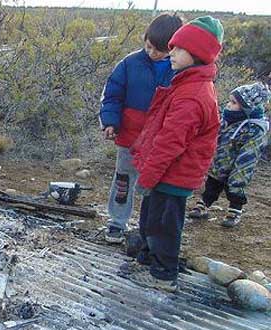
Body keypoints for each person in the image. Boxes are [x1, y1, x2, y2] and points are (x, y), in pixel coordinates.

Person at [126, 16, 224, 292]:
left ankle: (163, 275)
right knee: (152, 218)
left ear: (197, 54)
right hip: (166, 173)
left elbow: (170, 143)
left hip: (173, 175)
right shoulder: (186, 84)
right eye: (173, 47)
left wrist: (148, 176)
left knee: (164, 226)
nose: (172, 53)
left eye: (179, 49)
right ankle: (148, 259)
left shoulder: (192, 95)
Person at [99, 13, 183, 244]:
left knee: (155, 185)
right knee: (123, 181)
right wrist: (110, 122)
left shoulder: (180, 70)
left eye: (160, 50)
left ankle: (148, 229)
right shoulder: (129, 63)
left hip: (160, 141)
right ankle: (117, 222)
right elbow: (112, 95)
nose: (152, 53)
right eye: (149, 46)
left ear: (174, 47)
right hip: (129, 136)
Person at [188, 82, 270, 227]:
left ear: (246, 108)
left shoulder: (255, 129)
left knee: (235, 189)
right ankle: (204, 204)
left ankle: (235, 210)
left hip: (239, 167)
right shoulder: (227, 120)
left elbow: (249, 155)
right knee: (212, 184)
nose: (228, 105)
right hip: (219, 163)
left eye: (233, 103)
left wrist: (239, 175)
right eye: (229, 101)